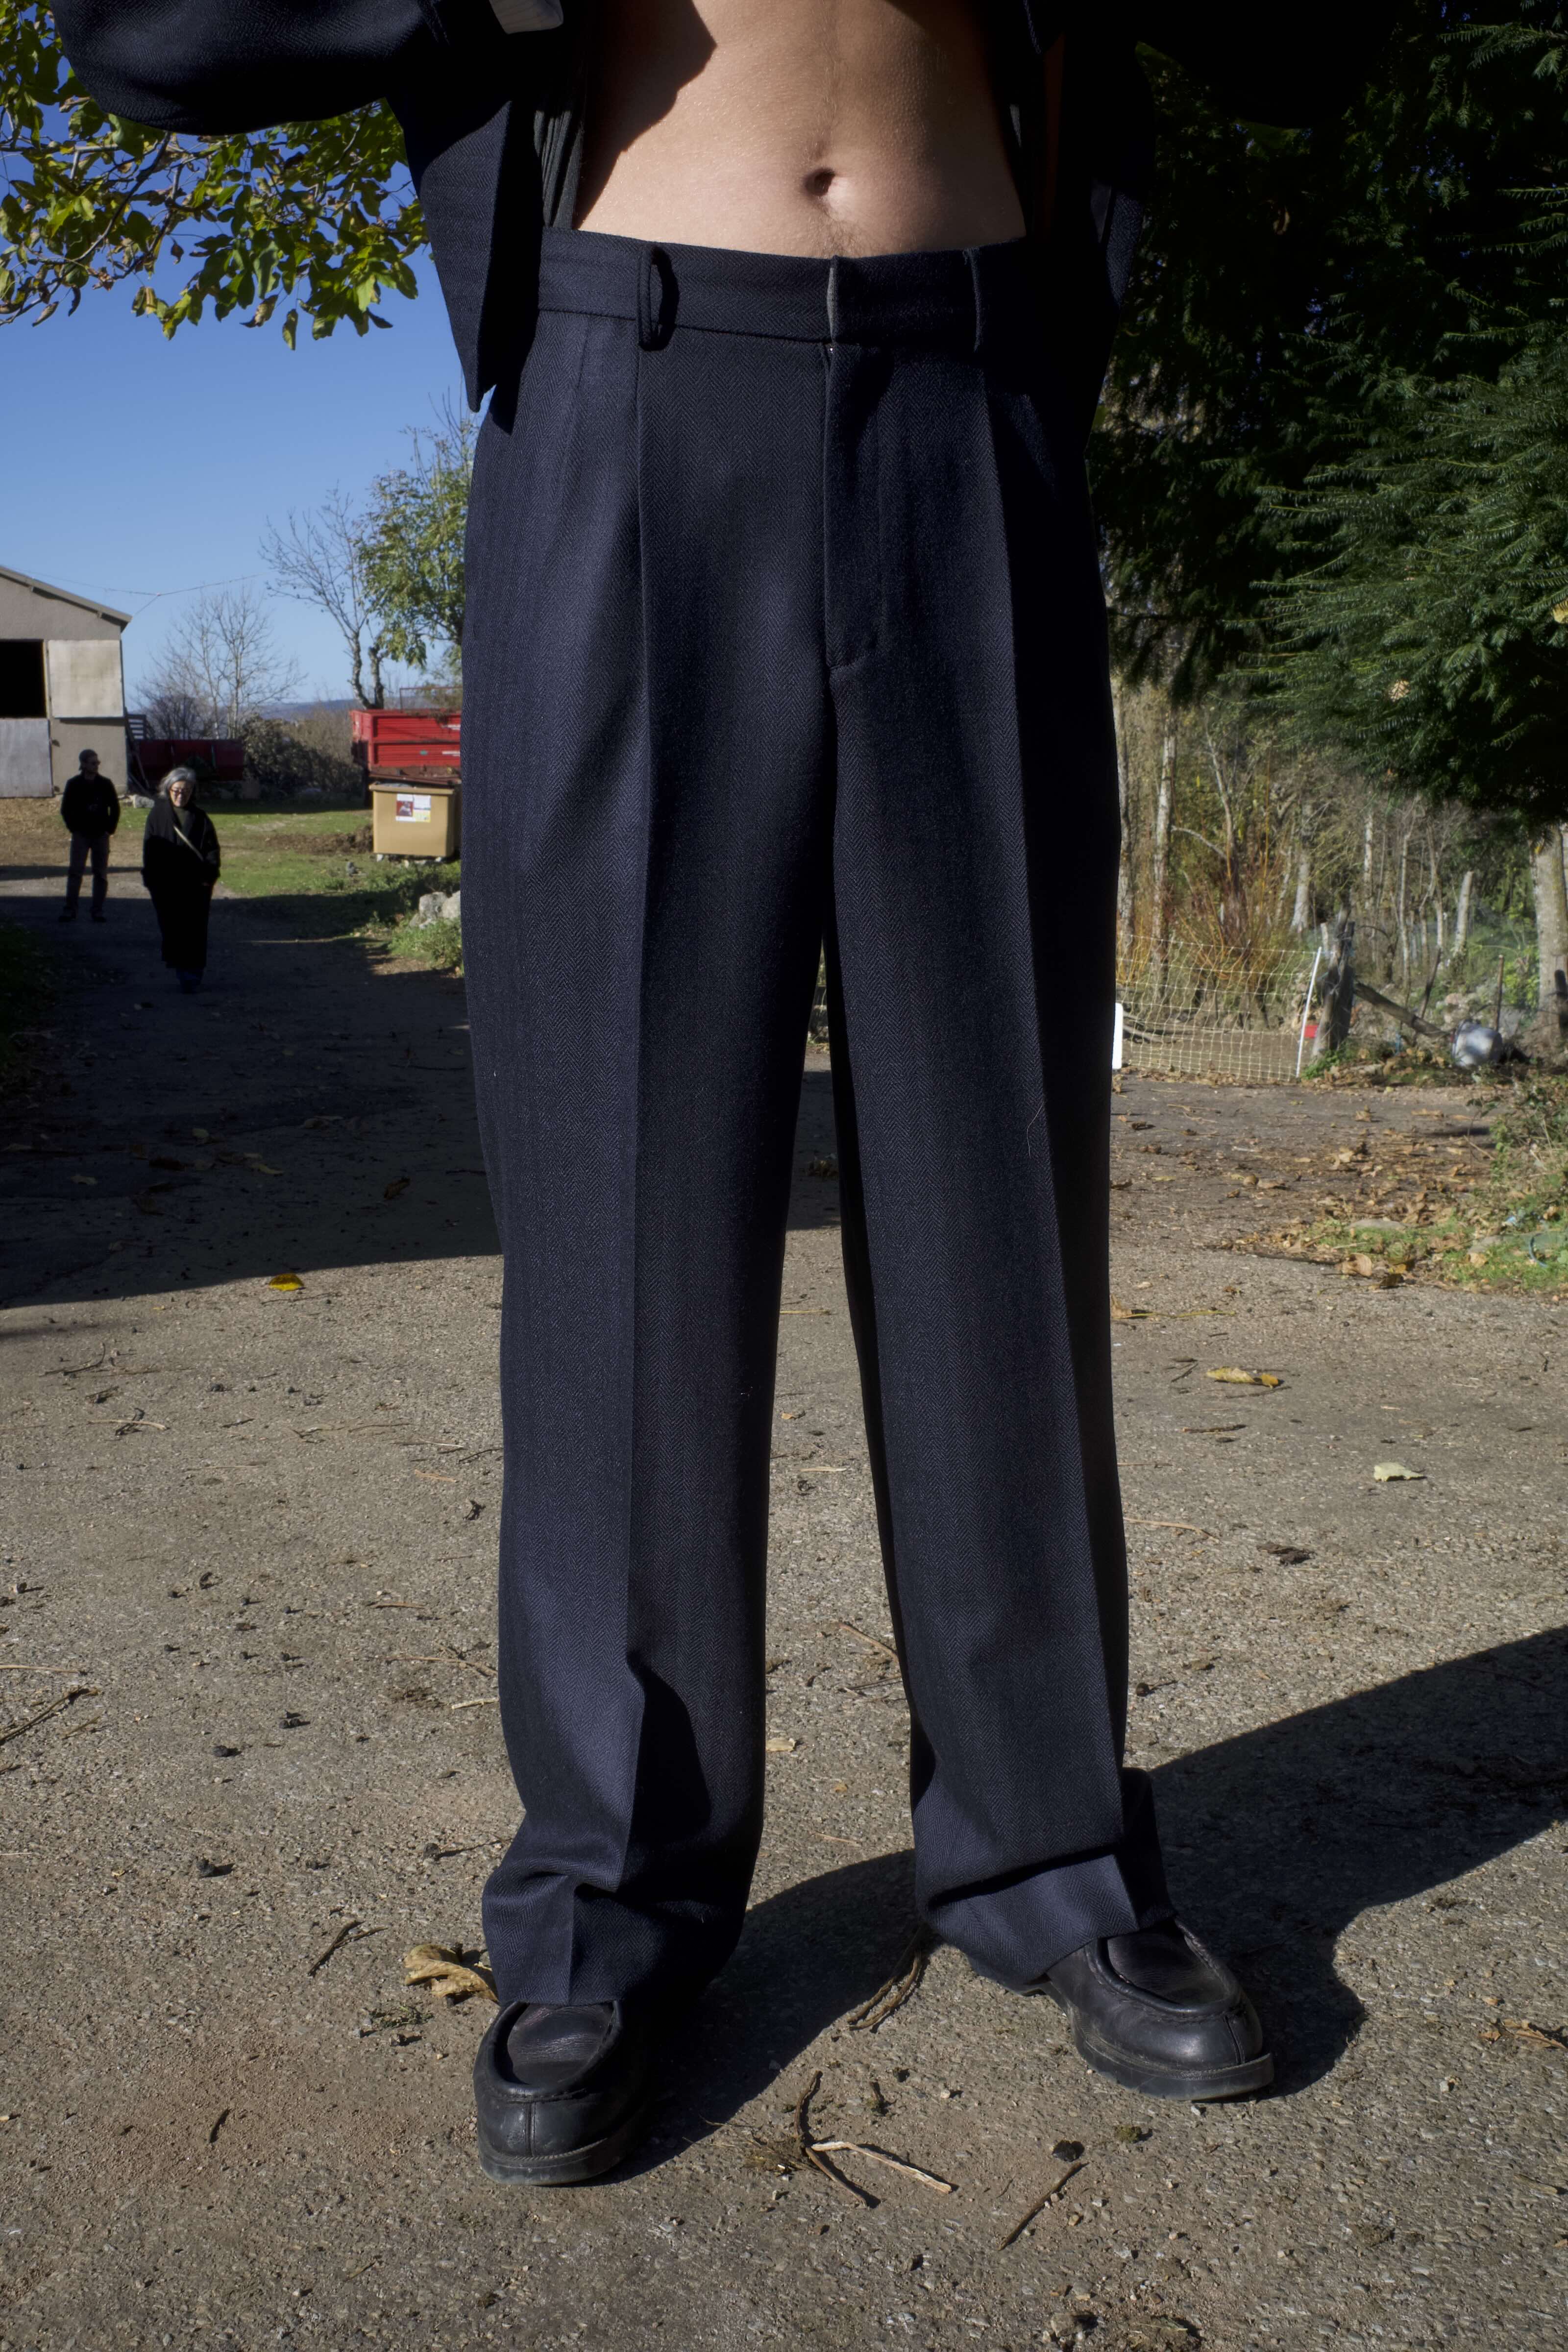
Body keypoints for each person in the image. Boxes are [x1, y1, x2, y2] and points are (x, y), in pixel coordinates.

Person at [56, 0, 1396, 2183]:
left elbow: (1312, 52)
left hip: (973, 393)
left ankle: (1052, 1852)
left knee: (998, 1191)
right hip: (632, 387)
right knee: (622, 1203)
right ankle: (608, 1892)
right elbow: (145, 37)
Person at [142, 766, 220, 992]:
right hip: (166, 884)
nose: (180, 795)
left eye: (186, 791)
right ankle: (180, 967)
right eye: (176, 790)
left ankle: (192, 974)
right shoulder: (157, 815)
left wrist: (208, 877)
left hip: (196, 885)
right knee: (172, 927)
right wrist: (152, 879)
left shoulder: (201, 818)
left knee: (195, 929)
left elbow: (212, 850)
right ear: (168, 789)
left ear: (192, 791)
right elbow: (150, 849)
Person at [58, 747, 120, 924]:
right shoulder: (74, 784)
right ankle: (70, 910)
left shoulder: (105, 784)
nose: (96, 766)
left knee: (100, 874)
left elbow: (115, 808)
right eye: (93, 763)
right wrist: (74, 828)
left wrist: (110, 829)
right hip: (81, 835)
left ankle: (98, 911)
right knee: (75, 872)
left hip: (100, 835)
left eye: (98, 762)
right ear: (84, 764)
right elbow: (66, 809)